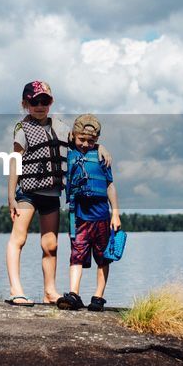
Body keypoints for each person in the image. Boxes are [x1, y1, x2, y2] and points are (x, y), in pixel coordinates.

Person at [5, 81, 67, 306]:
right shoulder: (23, 129)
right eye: (34, 102)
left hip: (51, 193)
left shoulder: (60, 127)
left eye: (45, 101)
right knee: (18, 238)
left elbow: (83, 142)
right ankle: (16, 290)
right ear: (25, 104)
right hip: (28, 193)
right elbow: (15, 162)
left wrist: (102, 148)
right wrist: (11, 196)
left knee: (50, 245)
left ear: (51, 103)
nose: (40, 106)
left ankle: (50, 291)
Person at [57, 114, 120, 312]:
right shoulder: (69, 153)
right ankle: (74, 294)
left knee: (103, 257)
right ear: (73, 136)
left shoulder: (102, 157)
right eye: (81, 139)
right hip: (79, 217)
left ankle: (98, 296)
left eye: (91, 141)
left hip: (102, 216)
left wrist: (116, 213)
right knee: (76, 254)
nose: (85, 144)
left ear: (97, 140)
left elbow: (110, 186)